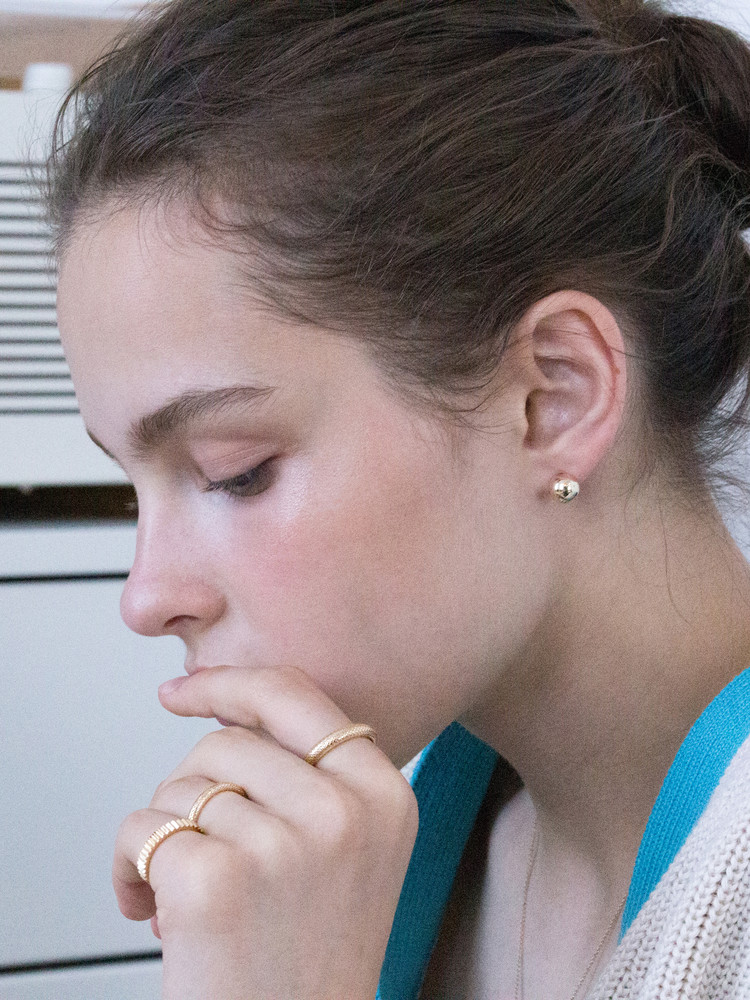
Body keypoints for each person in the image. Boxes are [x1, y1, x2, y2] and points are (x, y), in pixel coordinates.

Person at [48, 0, 750, 997]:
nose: (146, 597)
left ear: (554, 397)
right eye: (131, 489)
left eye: (234, 468)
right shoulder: (367, 857)